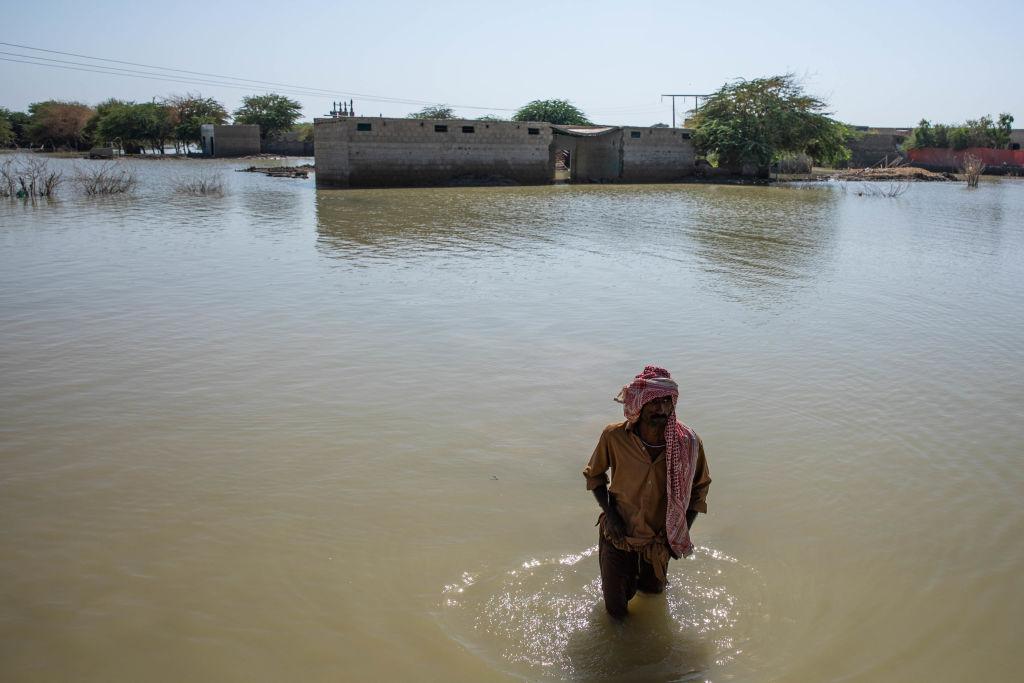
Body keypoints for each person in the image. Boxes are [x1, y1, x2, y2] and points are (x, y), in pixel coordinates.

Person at [583, 366, 711, 620]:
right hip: (618, 536)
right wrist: (611, 515)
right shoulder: (614, 437)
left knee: (653, 597)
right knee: (615, 611)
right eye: (654, 402)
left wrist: (679, 532)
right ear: (639, 404)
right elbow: (595, 476)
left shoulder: (687, 443)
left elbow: (700, 490)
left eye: (667, 402)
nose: (661, 410)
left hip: (659, 542)